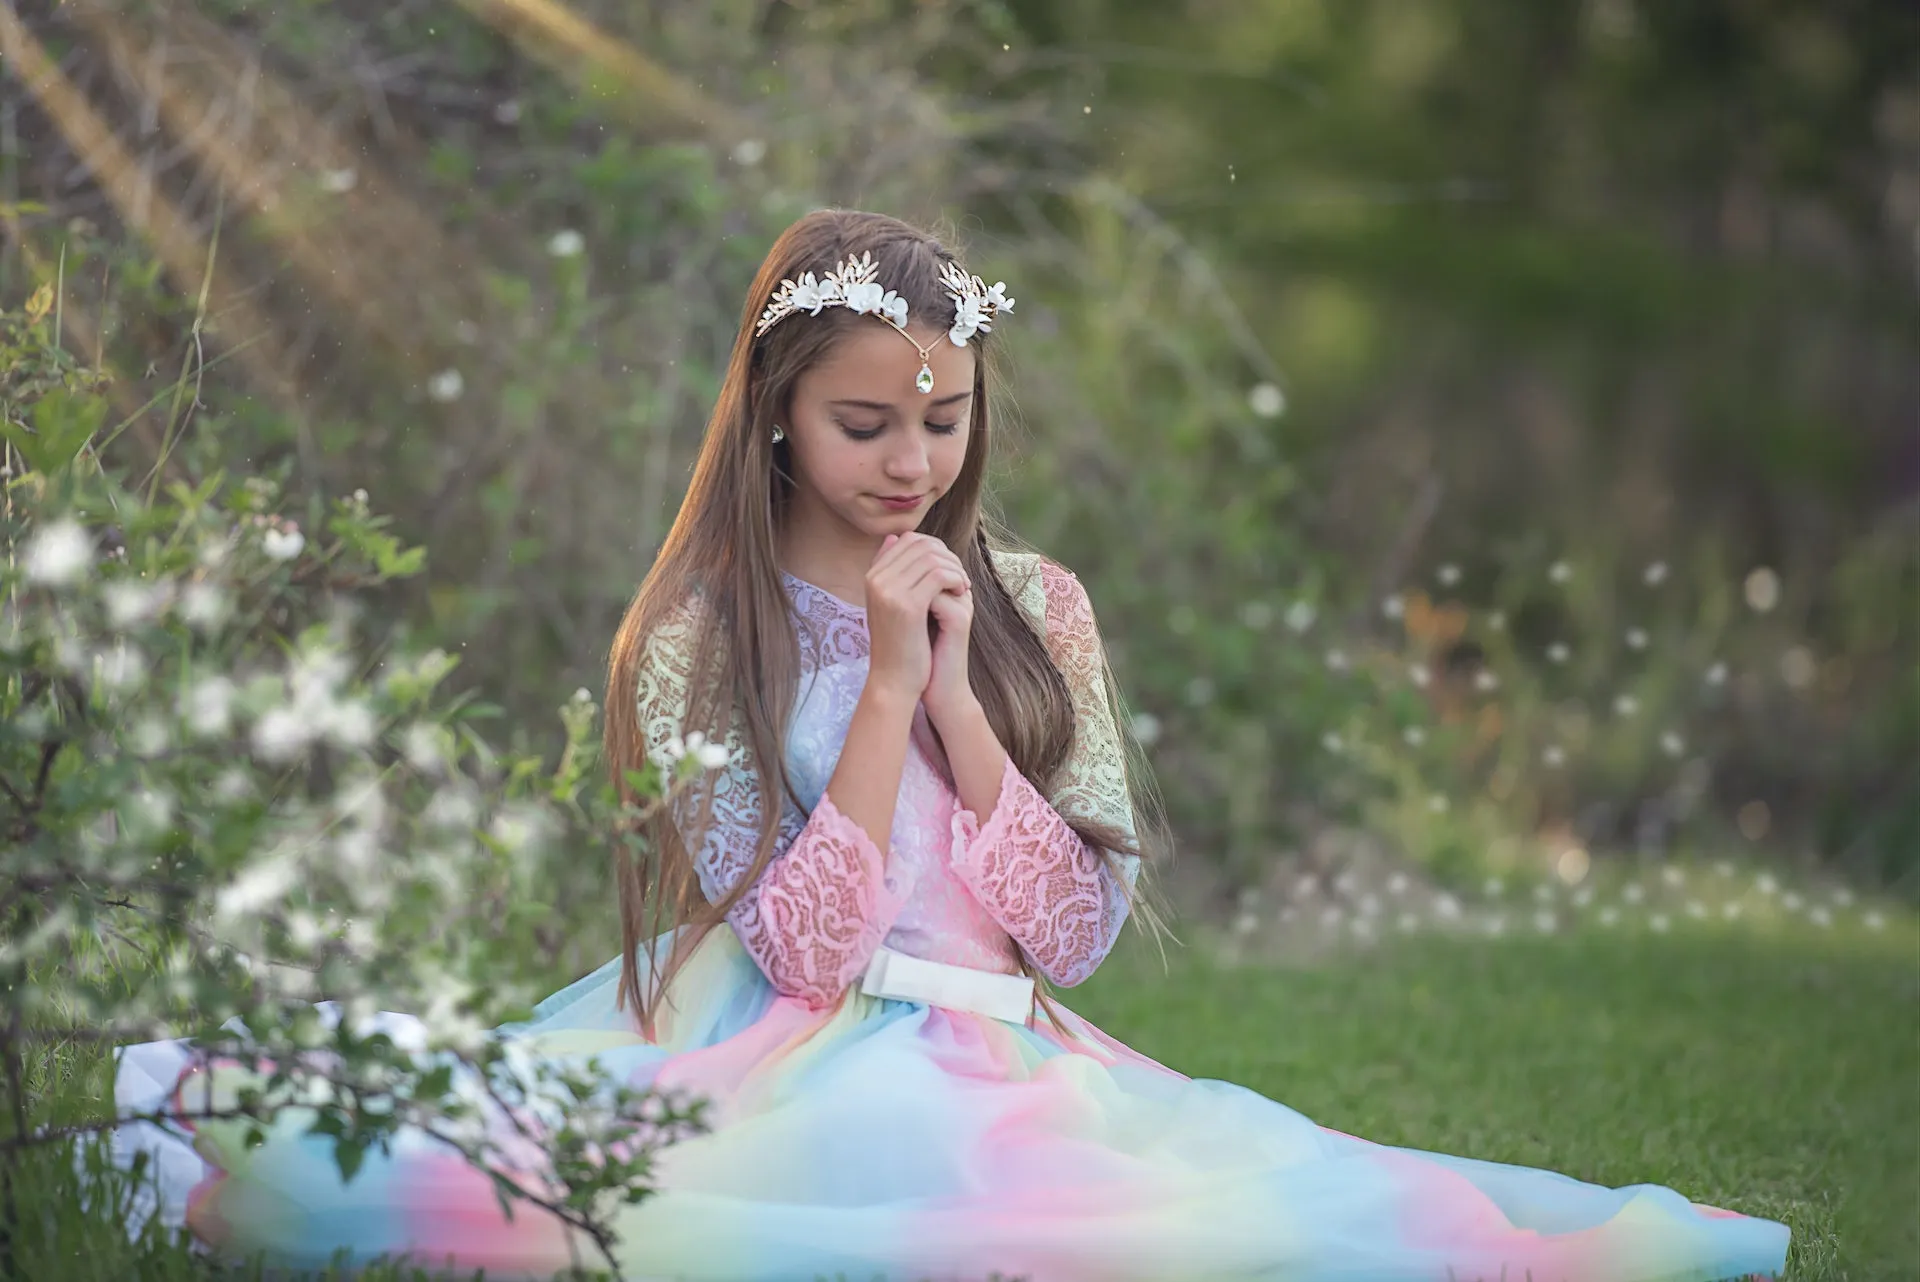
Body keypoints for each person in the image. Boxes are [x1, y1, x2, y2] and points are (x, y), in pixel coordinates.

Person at [110, 209, 1791, 1282]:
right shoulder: (705, 632)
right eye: (864, 422)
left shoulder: (1041, 602)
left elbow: (1074, 937)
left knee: (1268, 1228)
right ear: (775, 405)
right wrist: (885, 698)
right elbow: (806, 948)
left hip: (1019, 1058)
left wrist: (967, 694)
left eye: (944, 416)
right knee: (671, 1218)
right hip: (778, 1049)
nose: (910, 459)